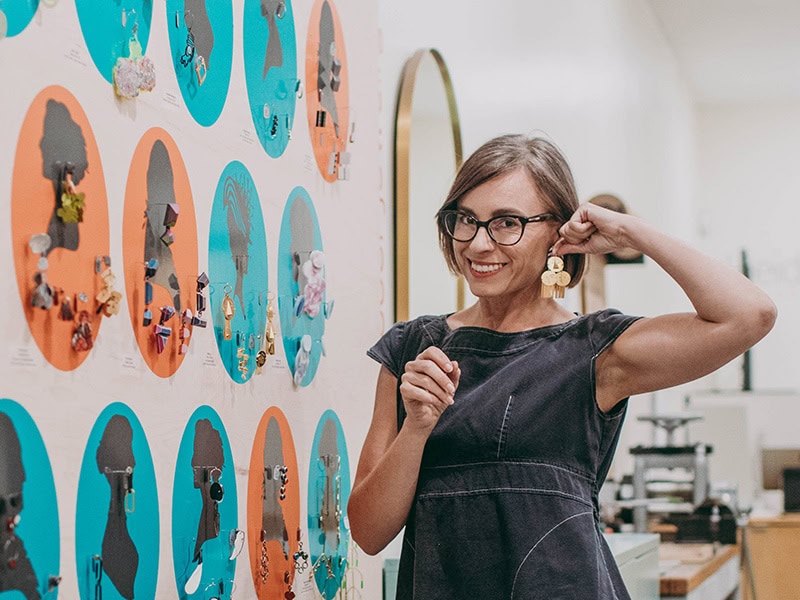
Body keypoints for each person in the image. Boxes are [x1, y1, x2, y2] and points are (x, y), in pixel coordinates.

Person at [348, 134, 776, 599]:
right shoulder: (414, 351)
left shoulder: (595, 350)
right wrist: (417, 428)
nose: (478, 243)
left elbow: (750, 315)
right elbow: (368, 533)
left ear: (558, 231)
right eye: (466, 220)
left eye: (507, 222)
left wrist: (633, 233)